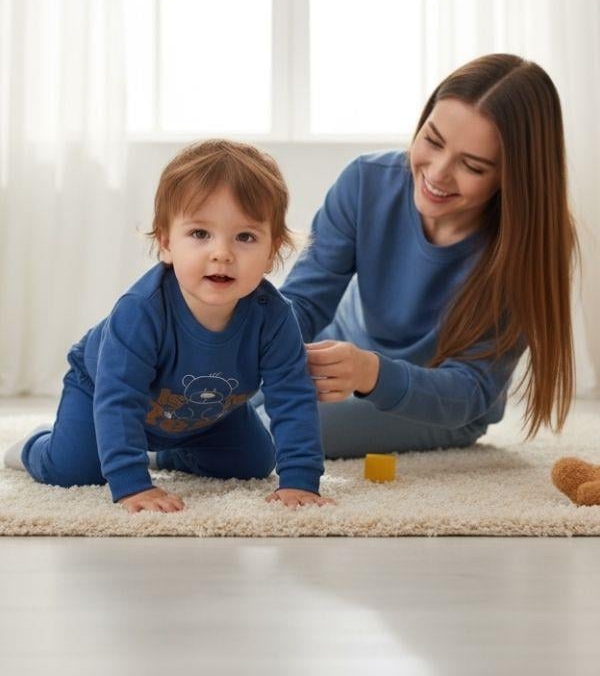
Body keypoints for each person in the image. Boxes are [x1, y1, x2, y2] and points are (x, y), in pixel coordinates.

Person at [4, 140, 333, 512]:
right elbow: (119, 398)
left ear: (271, 252)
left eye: (245, 237)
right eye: (200, 234)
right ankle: (33, 446)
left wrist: (300, 481)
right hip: (102, 391)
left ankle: (165, 456)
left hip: (203, 413)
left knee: (253, 463)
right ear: (165, 243)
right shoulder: (141, 312)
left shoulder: (274, 318)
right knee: (74, 469)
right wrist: (132, 484)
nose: (221, 253)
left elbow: (292, 398)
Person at [278, 53, 579, 458]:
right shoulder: (366, 182)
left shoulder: (527, 246)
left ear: (512, 177)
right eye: (432, 140)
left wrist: (371, 373)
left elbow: (470, 390)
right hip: (338, 369)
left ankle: (167, 454)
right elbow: (303, 302)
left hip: (441, 407)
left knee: (286, 428)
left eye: (472, 166)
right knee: (225, 403)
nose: (437, 173)